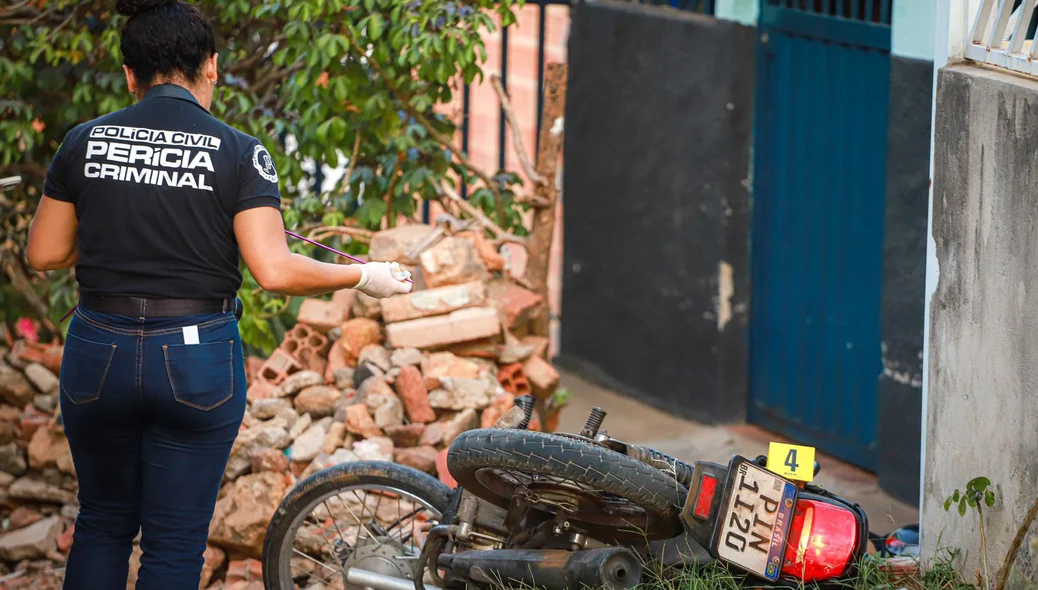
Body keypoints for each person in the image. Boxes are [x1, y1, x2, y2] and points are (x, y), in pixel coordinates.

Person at [24, 0, 412, 587]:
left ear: (130, 73)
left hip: (97, 350)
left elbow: (44, 253)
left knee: (102, 522)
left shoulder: (83, 142)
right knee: (174, 544)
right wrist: (364, 275)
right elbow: (274, 271)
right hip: (195, 357)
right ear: (211, 66)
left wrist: (120, 236)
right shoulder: (238, 150)